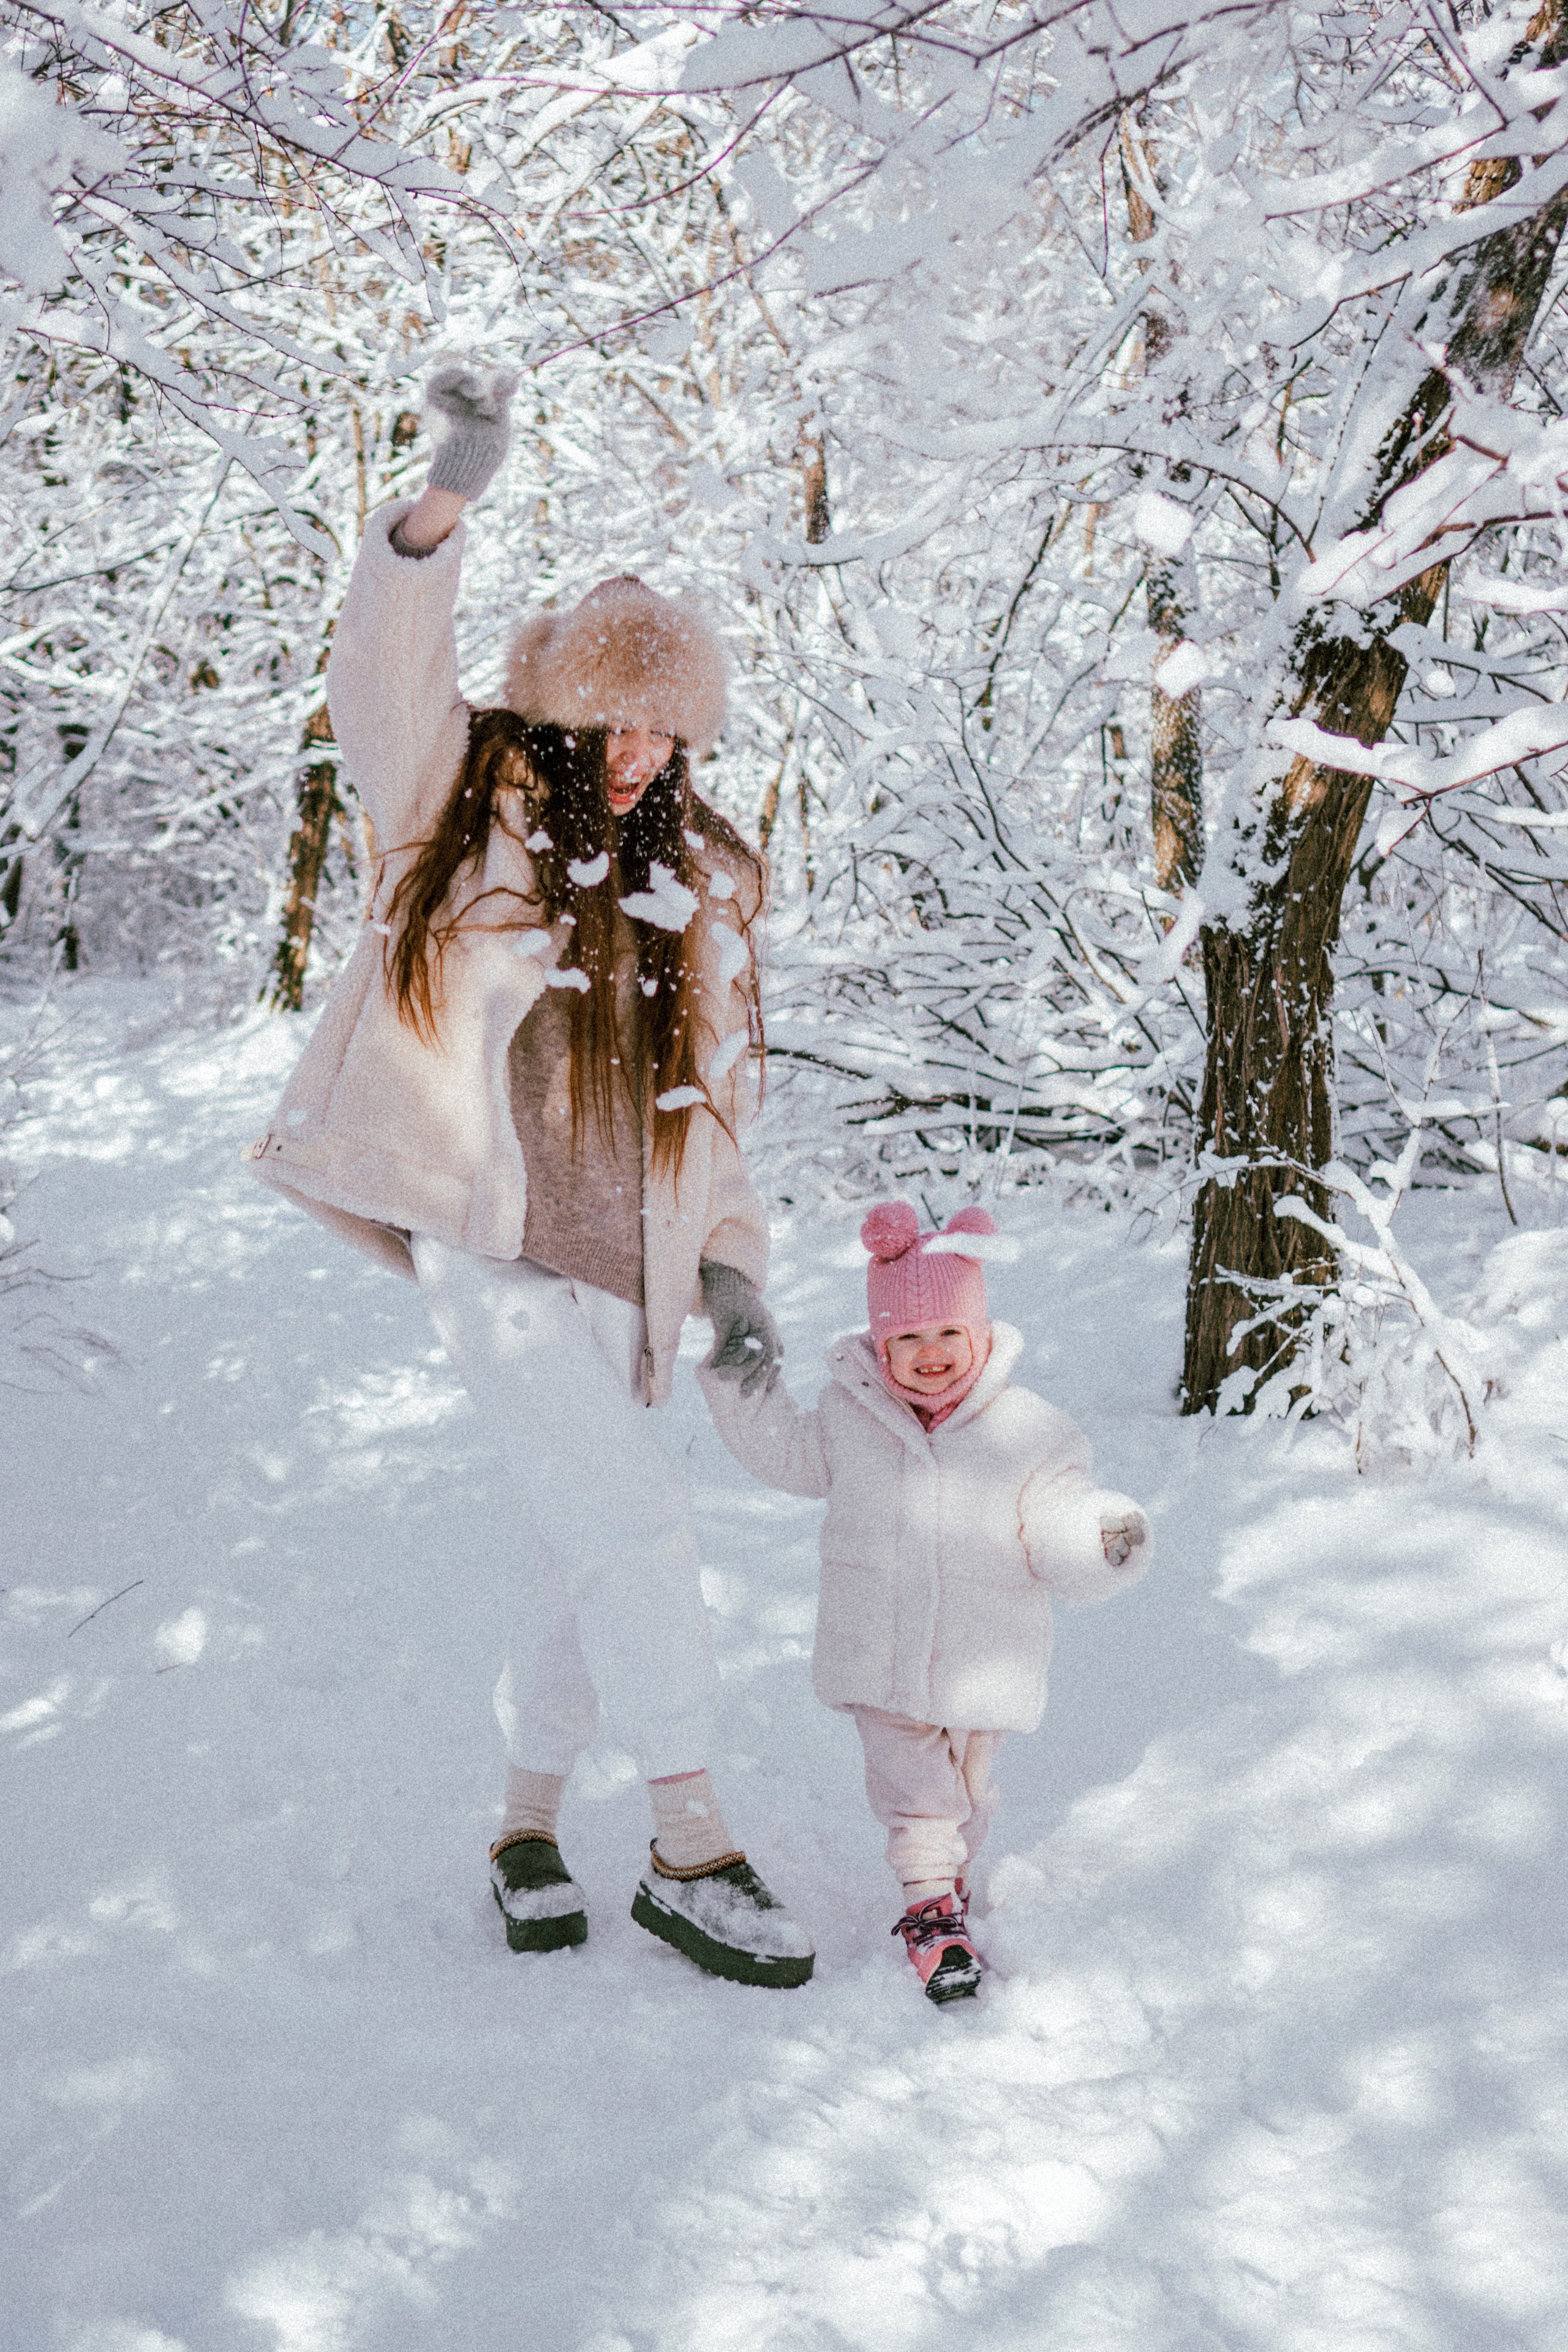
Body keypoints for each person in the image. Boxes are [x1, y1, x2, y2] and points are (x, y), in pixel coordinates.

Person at [249, 364, 813, 1990]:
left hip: (623, 1270)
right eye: (613, 715)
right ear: (560, 705)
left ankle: (521, 1821)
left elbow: (715, 1121)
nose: (637, 750)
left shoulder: (695, 886)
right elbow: (379, 672)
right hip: (485, 1245)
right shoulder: (457, 799)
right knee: (637, 1524)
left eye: (667, 724)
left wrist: (733, 1272)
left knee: (585, 1544)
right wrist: (442, 510)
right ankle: (692, 1845)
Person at [698, 1198, 1150, 2005]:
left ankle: (947, 1884)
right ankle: (928, 1906)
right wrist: (744, 1386)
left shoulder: (1028, 1433)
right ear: (880, 1344)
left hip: (985, 1657)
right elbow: (784, 1452)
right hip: (881, 1652)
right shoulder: (850, 1417)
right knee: (919, 1797)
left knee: (969, 1797)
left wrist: (1099, 1539)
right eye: (906, 1338)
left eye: (947, 1333)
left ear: (980, 1334)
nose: (929, 1354)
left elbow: (1055, 1519)